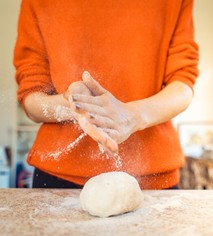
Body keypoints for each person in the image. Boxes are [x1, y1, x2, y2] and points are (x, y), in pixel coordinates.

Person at [13, 0, 199, 189]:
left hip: (153, 175)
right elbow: (32, 97)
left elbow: (182, 84)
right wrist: (73, 106)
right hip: (60, 175)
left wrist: (133, 116)